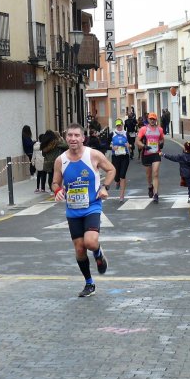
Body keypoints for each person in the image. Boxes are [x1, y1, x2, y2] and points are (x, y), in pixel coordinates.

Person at [52, 123, 117, 297]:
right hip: (73, 210)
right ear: (66, 138)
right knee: (80, 249)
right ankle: (89, 283)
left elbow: (111, 170)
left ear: (83, 138)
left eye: (76, 135)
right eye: (70, 135)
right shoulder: (61, 160)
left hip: (92, 207)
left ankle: (98, 253)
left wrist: (105, 188)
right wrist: (58, 191)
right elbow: (55, 182)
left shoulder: (93, 155)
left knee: (90, 242)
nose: (73, 139)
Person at [135, 112, 165, 203]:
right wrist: (144, 146)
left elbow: (162, 138)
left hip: (156, 153)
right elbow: (137, 141)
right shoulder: (144, 129)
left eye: (154, 119)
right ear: (148, 120)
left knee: (155, 173)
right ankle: (150, 186)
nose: (152, 120)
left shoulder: (159, 129)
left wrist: (161, 143)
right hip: (147, 153)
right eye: (150, 119)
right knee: (149, 175)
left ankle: (156, 194)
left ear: (156, 120)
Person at [110, 119, 130, 203]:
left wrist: (128, 145)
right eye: (117, 126)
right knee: (116, 175)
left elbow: (131, 144)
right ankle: (117, 181)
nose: (119, 127)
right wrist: (112, 147)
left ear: (122, 125)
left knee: (122, 175)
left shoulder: (126, 133)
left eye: (120, 125)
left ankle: (121, 196)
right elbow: (108, 143)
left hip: (125, 156)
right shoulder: (112, 134)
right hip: (115, 156)